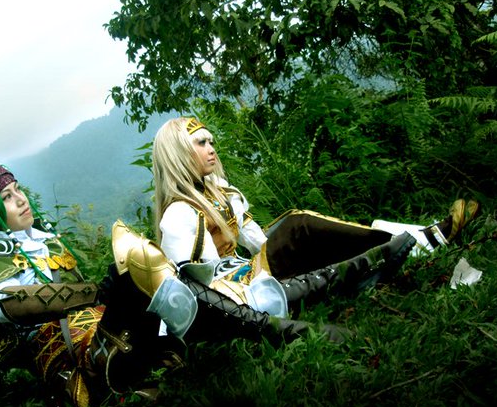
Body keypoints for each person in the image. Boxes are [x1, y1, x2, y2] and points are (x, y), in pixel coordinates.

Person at [0, 161, 319, 407]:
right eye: (6, 197)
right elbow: (7, 304)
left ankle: (264, 314)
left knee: (157, 272)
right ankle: (270, 324)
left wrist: (108, 292)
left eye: (17, 189)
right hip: (77, 360)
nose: (21, 199)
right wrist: (100, 291)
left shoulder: (43, 240)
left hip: (103, 329)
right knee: (139, 267)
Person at [151, 117, 480, 325]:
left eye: (211, 141)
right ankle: (423, 240)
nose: (211, 149)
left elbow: (253, 236)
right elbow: (200, 287)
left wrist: (280, 252)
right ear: (179, 153)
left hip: (251, 270)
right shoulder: (178, 214)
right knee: (298, 227)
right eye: (201, 143)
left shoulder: (220, 190)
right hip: (240, 291)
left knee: (296, 228)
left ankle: (410, 240)